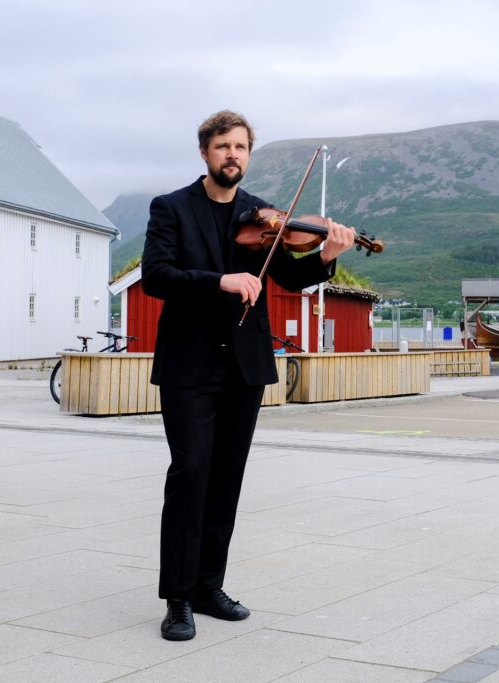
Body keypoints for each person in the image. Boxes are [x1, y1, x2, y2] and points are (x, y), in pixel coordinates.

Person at [142, 110, 355, 641]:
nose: (232, 155)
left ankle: (210, 587)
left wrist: (327, 255)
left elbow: (289, 273)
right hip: (189, 366)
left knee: (226, 480)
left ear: (247, 155)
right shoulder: (171, 208)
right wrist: (221, 280)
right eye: (222, 147)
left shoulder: (262, 216)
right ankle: (178, 598)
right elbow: (156, 276)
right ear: (204, 153)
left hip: (243, 366)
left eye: (240, 147)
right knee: (190, 474)